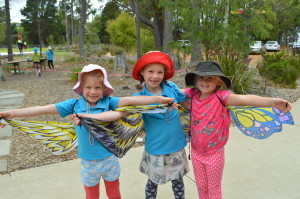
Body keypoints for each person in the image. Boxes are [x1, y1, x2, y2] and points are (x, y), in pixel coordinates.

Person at [0, 64, 177, 199]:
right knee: (92, 196)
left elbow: (136, 100)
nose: (93, 92)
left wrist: (162, 99)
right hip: (88, 163)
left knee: (114, 194)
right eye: (88, 88)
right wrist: (12, 113)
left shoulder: (109, 102)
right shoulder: (73, 105)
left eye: (97, 88)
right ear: (81, 88)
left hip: (109, 159)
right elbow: (42, 109)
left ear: (104, 89)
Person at [183, 60, 292, 199]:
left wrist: (272, 102)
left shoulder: (222, 97)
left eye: (210, 78)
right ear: (195, 79)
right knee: (202, 188)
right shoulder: (193, 94)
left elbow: (246, 99)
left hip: (214, 153)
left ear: (218, 82)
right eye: (200, 78)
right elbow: (174, 92)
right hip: (196, 152)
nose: (204, 82)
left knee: (214, 190)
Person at [132, 51, 190, 199]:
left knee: (178, 181)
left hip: (176, 146)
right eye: (150, 71)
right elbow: (123, 112)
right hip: (155, 148)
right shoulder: (140, 98)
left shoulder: (171, 90)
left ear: (164, 74)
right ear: (142, 73)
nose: (155, 76)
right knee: (152, 182)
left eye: (160, 72)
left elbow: (189, 106)